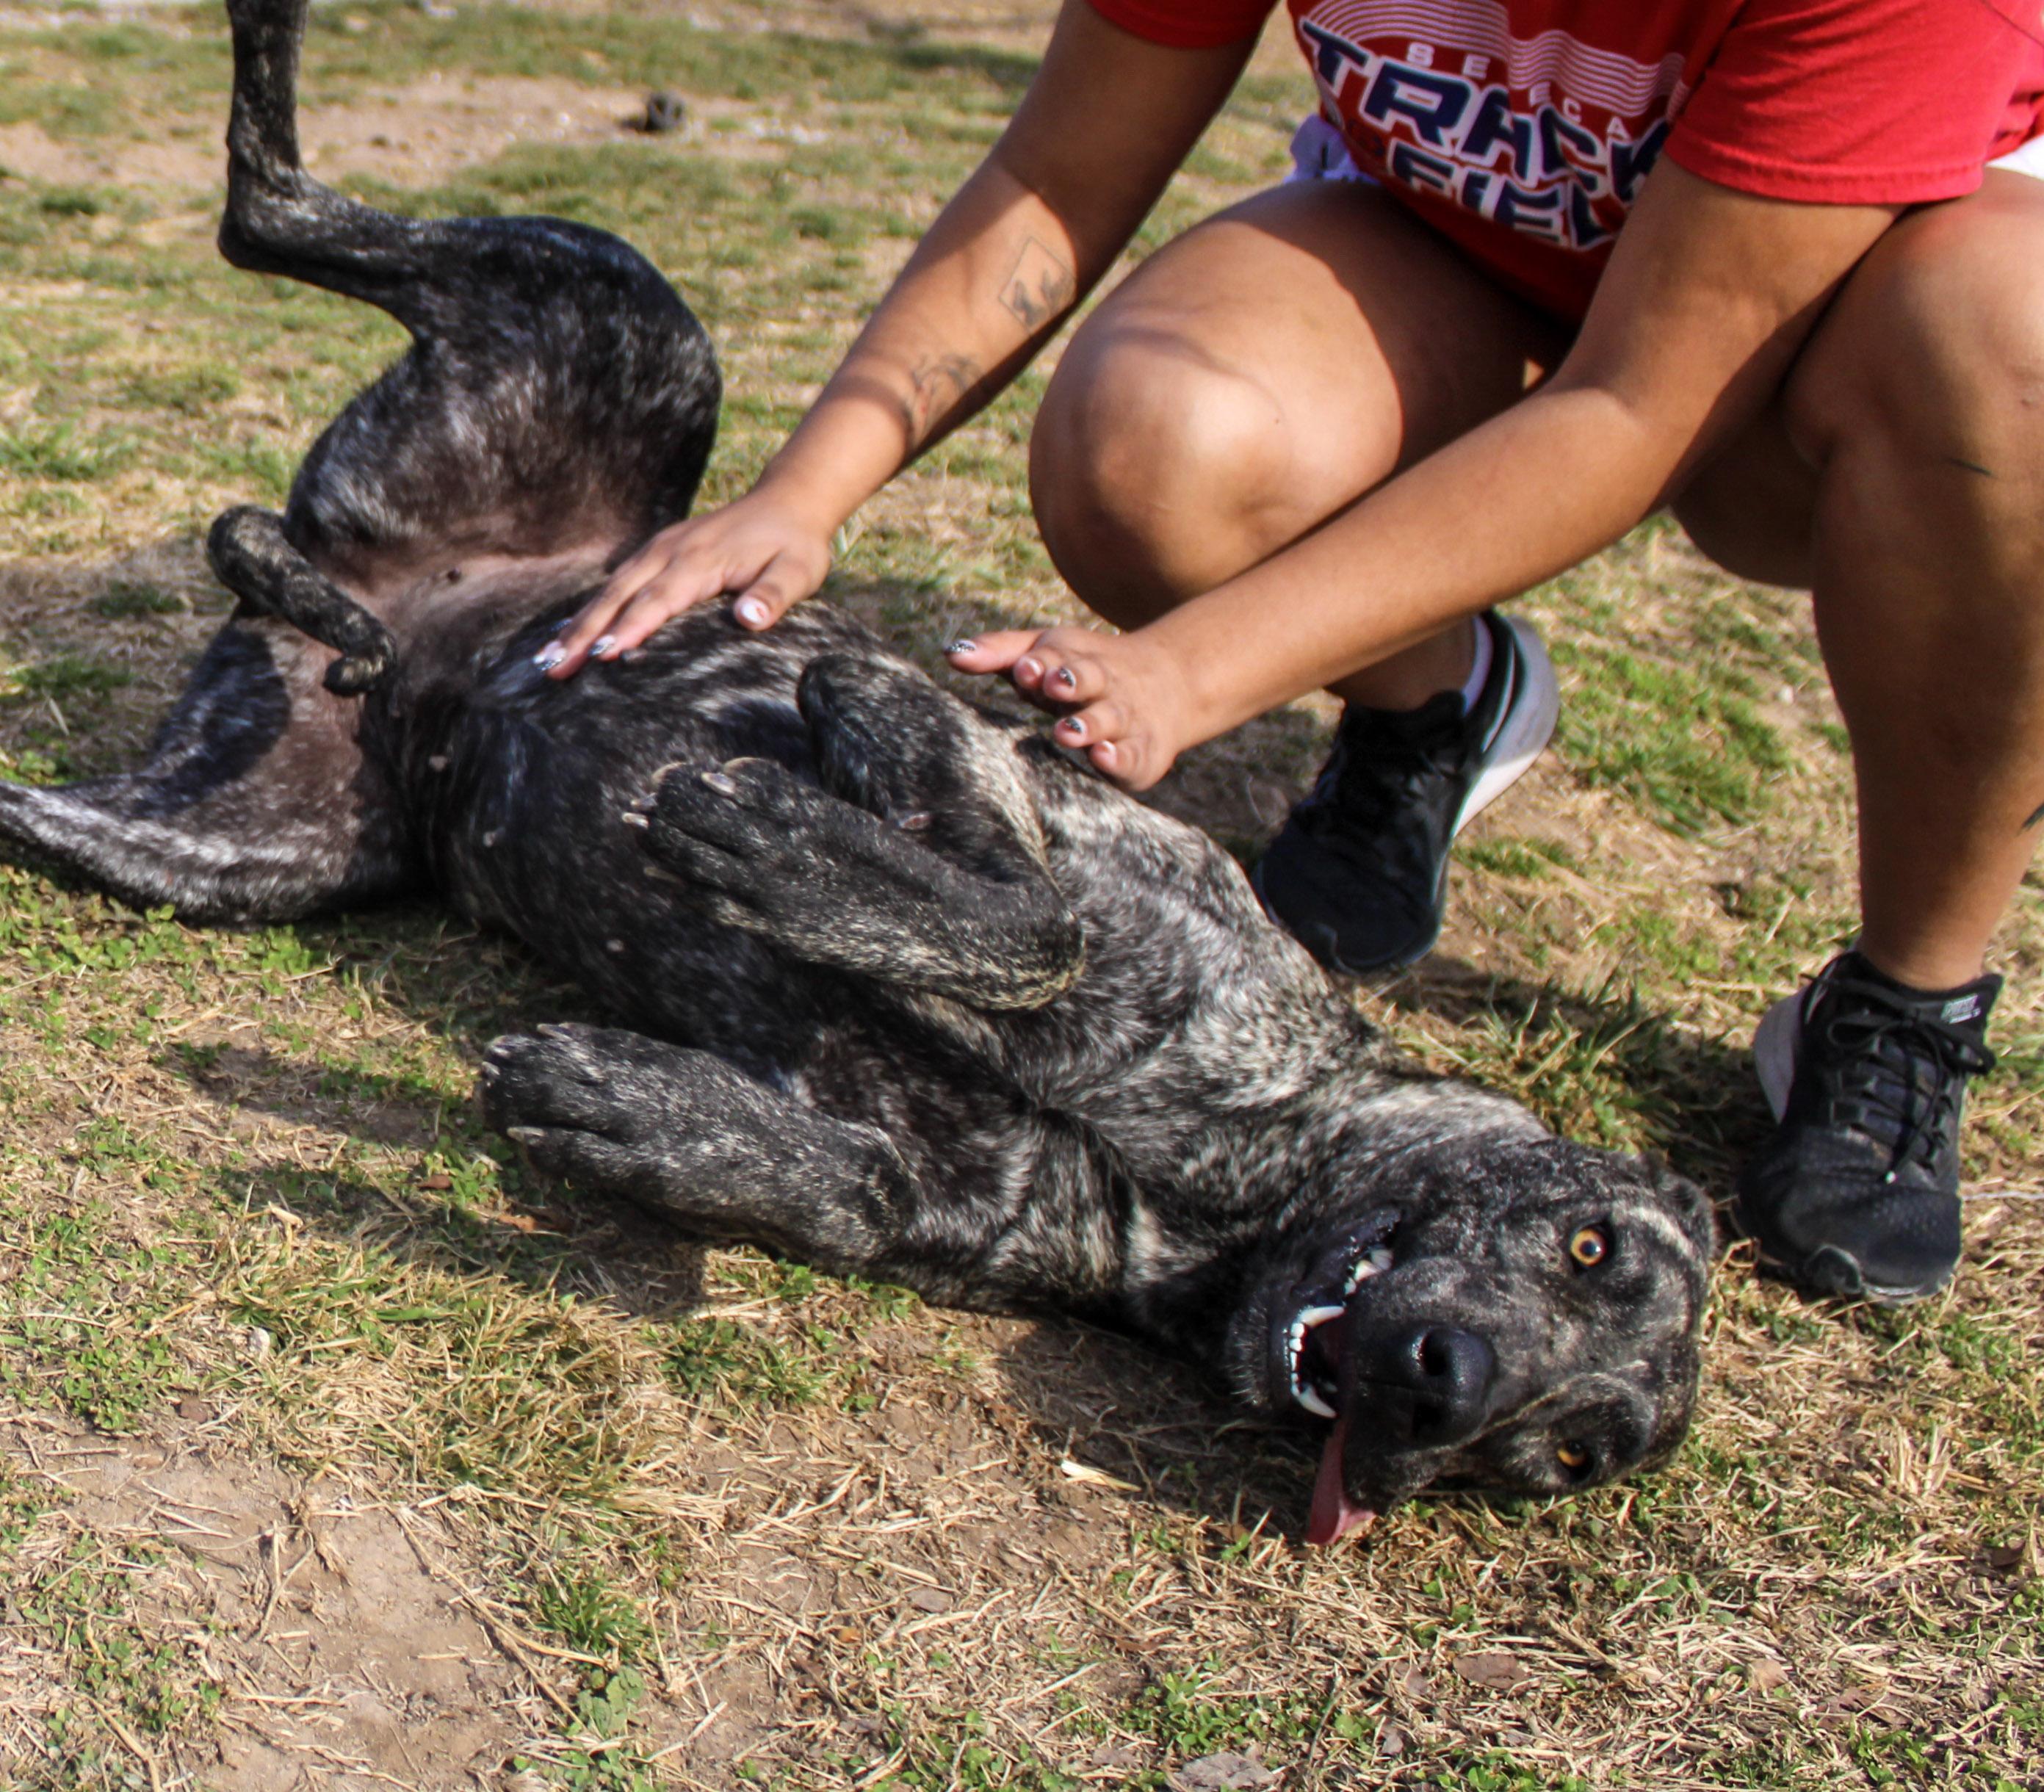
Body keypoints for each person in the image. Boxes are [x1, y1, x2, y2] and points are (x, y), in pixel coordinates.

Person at [540, 0, 2044, 1307]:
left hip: (1852, 321)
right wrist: (812, 487)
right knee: (1157, 447)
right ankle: (1433, 701)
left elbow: (1635, 405)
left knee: (2014, 351)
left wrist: (1187, 673)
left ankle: (1908, 996)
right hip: (1467, 250)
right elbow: (1053, 172)